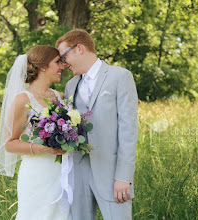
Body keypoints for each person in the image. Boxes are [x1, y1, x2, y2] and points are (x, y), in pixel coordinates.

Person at [56, 29, 138, 220]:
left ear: (79, 49)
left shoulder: (120, 77)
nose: (63, 63)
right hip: (78, 175)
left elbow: (128, 131)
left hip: (111, 175)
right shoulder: (71, 85)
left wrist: (123, 177)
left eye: (64, 57)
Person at [0, 45, 72, 220]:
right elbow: (9, 143)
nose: (62, 66)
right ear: (43, 66)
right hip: (37, 174)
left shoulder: (58, 96)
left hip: (62, 172)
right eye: (57, 62)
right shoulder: (23, 99)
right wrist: (44, 149)